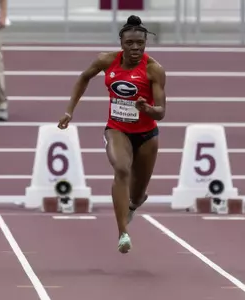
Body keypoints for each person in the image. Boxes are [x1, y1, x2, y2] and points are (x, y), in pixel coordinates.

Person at [57, 15, 167, 254]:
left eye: (140, 43)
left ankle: (135, 203)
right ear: (121, 43)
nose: (136, 48)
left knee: (137, 195)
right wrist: (69, 111)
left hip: (147, 134)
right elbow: (83, 78)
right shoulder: (106, 61)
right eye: (130, 43)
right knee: (121, 168)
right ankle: (122, 233)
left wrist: (148, 109)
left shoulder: (154, 70)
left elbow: (161, 112)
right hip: (117, 128)